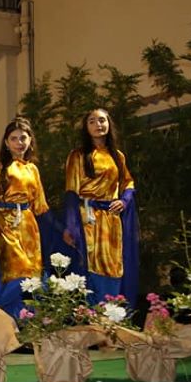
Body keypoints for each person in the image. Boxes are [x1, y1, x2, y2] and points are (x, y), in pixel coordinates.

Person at [63, 108, 139, 307]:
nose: (98, 124)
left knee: (113, 264)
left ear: (108, 124)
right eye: (92, 121)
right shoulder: (78, 155)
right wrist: (70, 226)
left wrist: (124, 200)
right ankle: (93, 313)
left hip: (111, 219)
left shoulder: (117, 156)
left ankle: (113, 312)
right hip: (88, 218)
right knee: (92, 263)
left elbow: (128, 182)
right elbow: (71, 192)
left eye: (102, 120)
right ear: (86, 128)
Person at [0, 117, 52, 319]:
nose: (19, 142)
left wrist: (64, 229)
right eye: (14, 138)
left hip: (29, 227)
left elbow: (41, 206)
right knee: (17, 271)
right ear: (6, 142)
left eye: (23, 138)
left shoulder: (32, 169)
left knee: (33, 275)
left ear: (30, 140)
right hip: (4, 224)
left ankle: (25, 322)